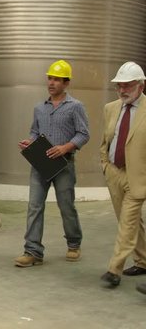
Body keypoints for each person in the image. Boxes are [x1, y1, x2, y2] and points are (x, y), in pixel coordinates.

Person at [14, 60, 90, 267]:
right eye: (50, 78)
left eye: (57, 79)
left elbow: (84, 134)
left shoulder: (75, 107)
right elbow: (35, 132)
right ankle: (33, 251)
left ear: (66, 83)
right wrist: (30, 142)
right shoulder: (39, 108)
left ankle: (74, 244)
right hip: (40, 164)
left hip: (64, 164)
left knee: (66, 207)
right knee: (34, 206)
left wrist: (65, 147)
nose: (51, 82)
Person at [99, 61, 146, 287]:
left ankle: (114, 270)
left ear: (141, 86)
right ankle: (144, 260)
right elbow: (105, 140)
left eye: (127, 85)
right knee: (130, 221)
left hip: (138, 177)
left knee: (127, 223)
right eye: (119, 85)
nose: (122, 90)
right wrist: (105, 166)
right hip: (115, 172)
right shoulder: (111, 108)